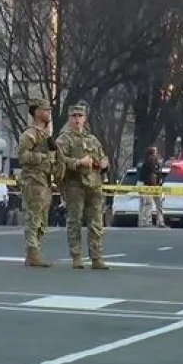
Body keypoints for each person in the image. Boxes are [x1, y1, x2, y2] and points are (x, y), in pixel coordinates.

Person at [55, 103, 110, 270]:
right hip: (75, 184)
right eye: (74, 116)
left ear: (85, 119)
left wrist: (104, 162)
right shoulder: (64, 139)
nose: (77, 119)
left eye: (80, 116)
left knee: (96, 222)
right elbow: (59, 160)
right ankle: (76, 255)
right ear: (69, 118)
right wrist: (78, 162)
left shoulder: (92, 139)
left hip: (94, 184)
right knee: (75, 221)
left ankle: (96, 257)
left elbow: (102, 156)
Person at [16, 99, 63, 268]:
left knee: (42, 218)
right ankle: (32, 251)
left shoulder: (45, 135)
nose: (49, 113)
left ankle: (36, 249)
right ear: (36, 112)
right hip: (33, 180)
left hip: (44, 180)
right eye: (45, 110)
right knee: (34, 217)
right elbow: (22, 157)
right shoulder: (30, 135)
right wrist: (43, 157)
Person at [138, 145, 167, 228]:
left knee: (159, 204)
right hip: (147, 185)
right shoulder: (148, 163)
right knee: (147, 203)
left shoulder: (157, 163)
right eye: (155, 152)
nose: (156, 154)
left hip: (156, 185)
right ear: (151, 154)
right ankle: (145, 221)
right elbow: (148, 175)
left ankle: (160, 222)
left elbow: (159, 175)